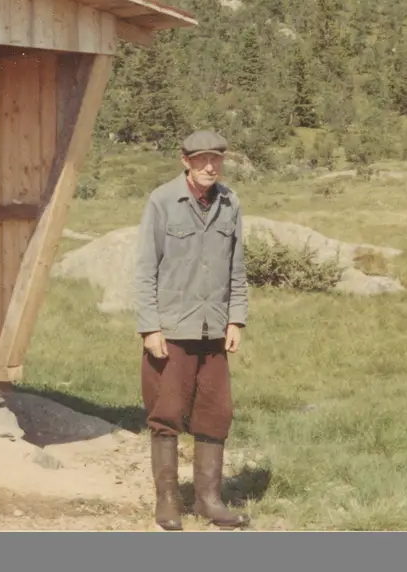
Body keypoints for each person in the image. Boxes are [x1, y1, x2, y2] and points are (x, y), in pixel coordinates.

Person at [132, 129, 250, 531]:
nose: (209, 166)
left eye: (216, 159)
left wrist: (236, 318)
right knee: (166, 414)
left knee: (216, 413)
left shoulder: (231, 202)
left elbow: (237, 267)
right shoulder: (162, 201)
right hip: (171, 329)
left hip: (214, 329)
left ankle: (209, 501)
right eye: (201, 159)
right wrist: (150, 327)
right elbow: (145, 269)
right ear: (185, 160)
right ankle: (168, 502)